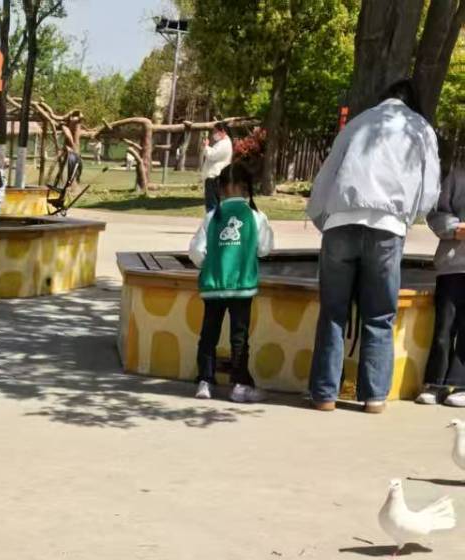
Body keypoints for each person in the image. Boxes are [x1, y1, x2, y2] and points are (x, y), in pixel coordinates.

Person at [307, 79, 440, 414]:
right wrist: (409, 218)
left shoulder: (358, 122)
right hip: (387, 226)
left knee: (333, 313)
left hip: (340, 222)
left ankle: (324, 394)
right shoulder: (421, 128)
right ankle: (374, 397)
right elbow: (428, 190)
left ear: (384, 98)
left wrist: (325, 219)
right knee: (379, 314)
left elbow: (327, 175)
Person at [188, 161, 274, 403]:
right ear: (244, 187)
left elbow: (196, 252)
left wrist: (209, 264)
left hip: (214, 285)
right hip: (242, 287)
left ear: (223, 188)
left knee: (208, 335)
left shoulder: (212, 216)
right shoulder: (257, 216)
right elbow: (265, 249)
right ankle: (238, 384)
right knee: (239, 337)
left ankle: (205, 381)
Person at [415, 161, 465, 404]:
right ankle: (435, 383)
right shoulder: (457, 175)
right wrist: (454, 228)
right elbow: (436, 212)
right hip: (453, 264)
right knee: (443, 328)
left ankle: (461, 385)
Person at [200, 123, 233, 211]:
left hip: (215, 176)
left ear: (222, 131)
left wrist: (206, 146)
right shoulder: (221, 143)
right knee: (212, 203)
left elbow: (213, 155)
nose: (213, 134)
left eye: (215, 131)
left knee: (212, 205)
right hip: (214, 176)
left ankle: (213, 222)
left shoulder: (224, 143)